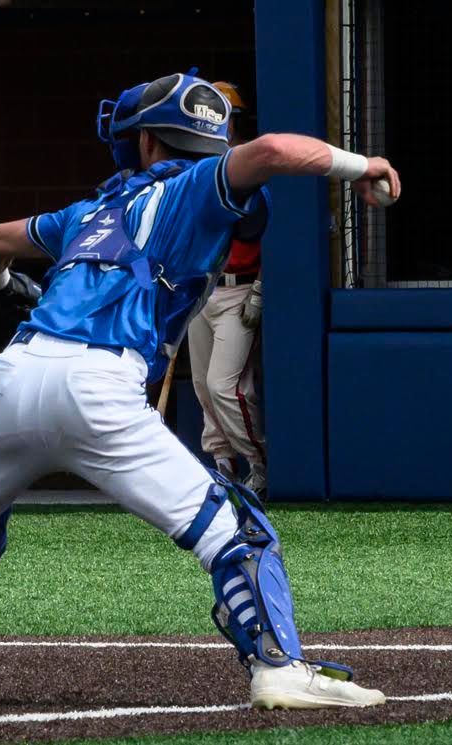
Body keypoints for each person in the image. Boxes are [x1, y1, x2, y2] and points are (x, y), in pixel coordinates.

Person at [0, 73, 400, 710]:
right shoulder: (198, 186)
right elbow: (273, 150)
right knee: (237, 537)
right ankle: (278, 668)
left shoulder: (90, 209)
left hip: (12, 378)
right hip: (100, 387)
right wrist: (362, 164)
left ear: (146, 140)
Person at [187, 81, 267, 499]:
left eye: (223, 118)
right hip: (203, 289)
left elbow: (273, 233)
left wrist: (262, 288)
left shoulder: (250, 165)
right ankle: (222, 464)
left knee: (226, 386)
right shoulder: (193, 170)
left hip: (240, 290)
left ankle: (260, 466)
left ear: (234, 120)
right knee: (202, 386)